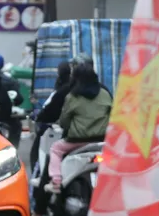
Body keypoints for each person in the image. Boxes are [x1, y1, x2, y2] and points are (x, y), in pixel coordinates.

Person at [47, 55, 112, 194]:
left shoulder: (72, 96)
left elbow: (64, 122)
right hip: (102, 140)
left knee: (55, 149)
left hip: (77, 141)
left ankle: (56, 181)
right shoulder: (105, 94)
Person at [30, 61, 72, 216]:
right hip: (99, 140)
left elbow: (63, 119)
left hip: (73, 139)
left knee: (50, 162)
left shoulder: (68, 93)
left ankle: (38, 212)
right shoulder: (103, 92)